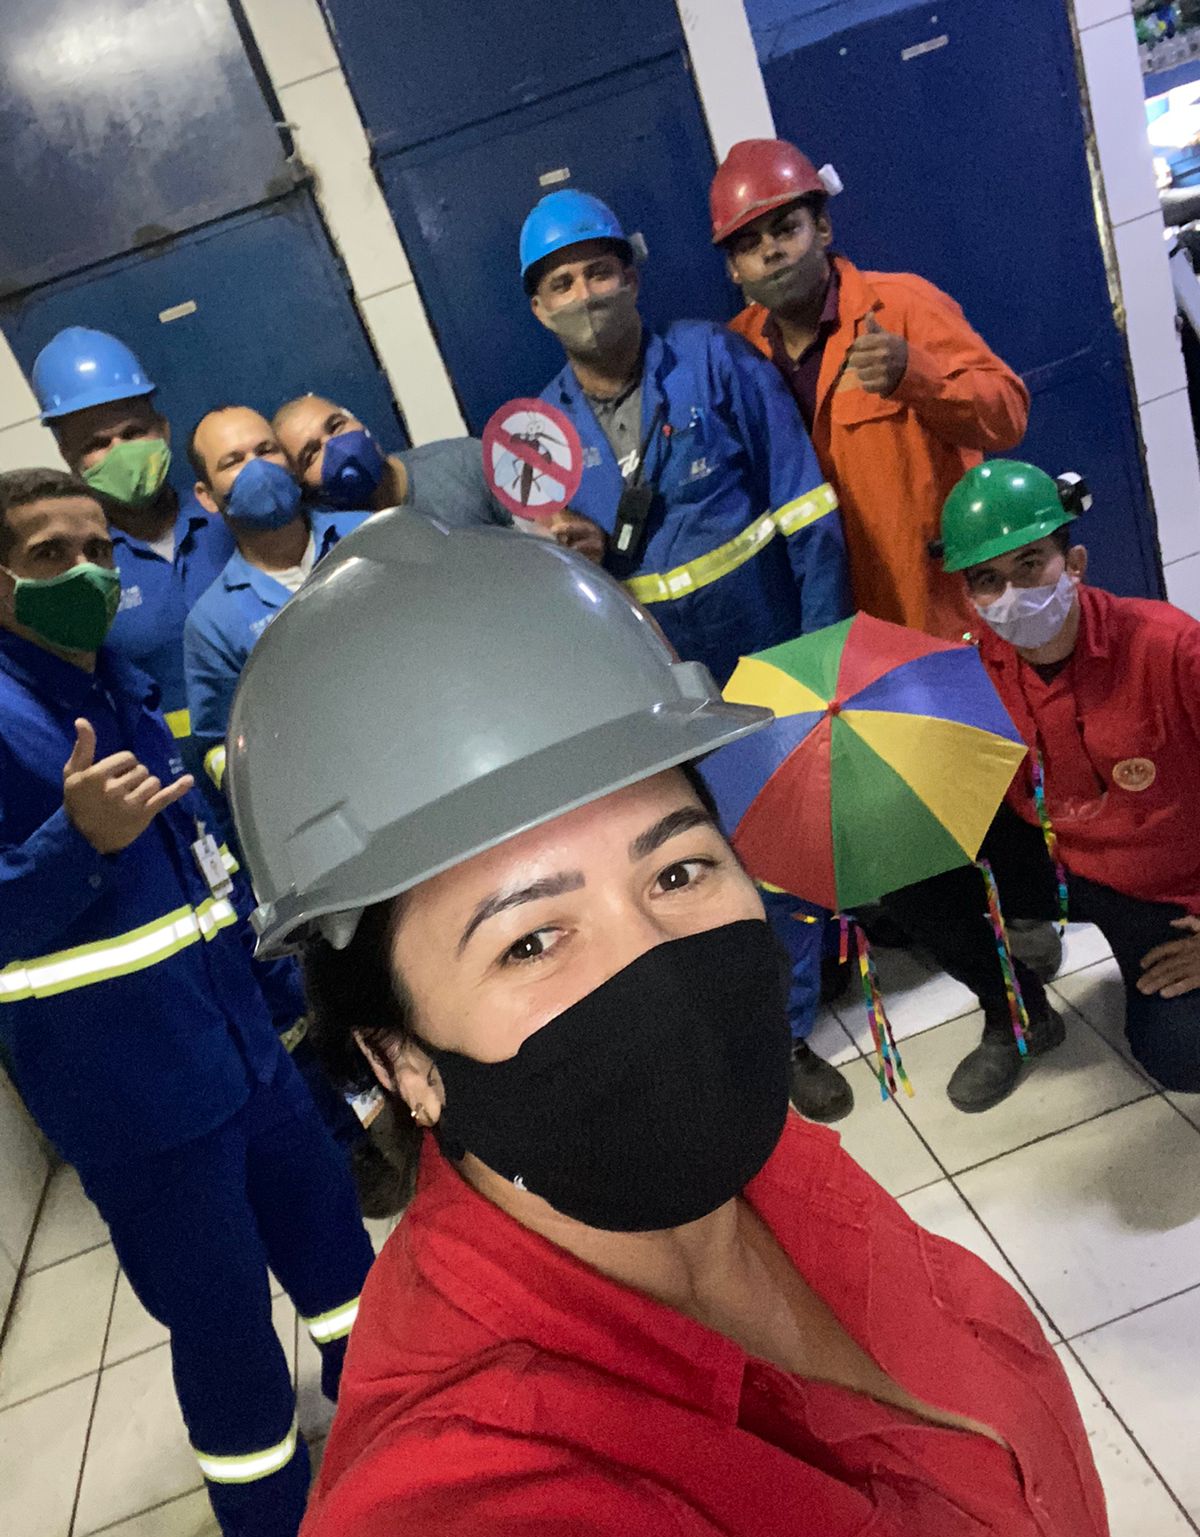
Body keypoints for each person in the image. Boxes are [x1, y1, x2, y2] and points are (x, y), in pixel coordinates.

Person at [224, 512, 1122, 1537]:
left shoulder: (771, 1166)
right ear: (399, 1058)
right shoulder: (466, 1530)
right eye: (530, 940)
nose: (652, 958)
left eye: (679, 872)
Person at [0, 467, 375, 1537]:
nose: (87, 573)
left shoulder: (118, 686)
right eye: (51, 555)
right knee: (224, 1333)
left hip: (249, 1058)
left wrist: (289, 1016)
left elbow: (206, 878)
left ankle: (396, 1426)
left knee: (342, 1269)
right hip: (138, 1106)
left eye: (98, 550)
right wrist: (75, 845)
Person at [522, 187, 854, 1118]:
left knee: (784, 848)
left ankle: (788, 1031)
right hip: (651, 690)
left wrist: (820, 656)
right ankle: (738, 1023)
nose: (585, 296)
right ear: (539, 309)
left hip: (767, 651)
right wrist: (573, 555)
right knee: (684, 862)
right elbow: (554, 602)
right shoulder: (539, 435)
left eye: (598, 272)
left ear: (632, 276)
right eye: (561, 284)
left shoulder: (715, 359)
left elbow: (807, 512)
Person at [883, 459, 1200, 1109]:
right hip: (1066, 862)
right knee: (906, 862)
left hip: (1172, 886)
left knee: (1179, 1050)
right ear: (969, 597)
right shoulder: (974, 673)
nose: (1011, 594)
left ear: (1074, 563)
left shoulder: (1169, 648)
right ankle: (1017, 1013)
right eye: (987, 579)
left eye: (1029, 565)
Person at [711, 140, 1030, 640]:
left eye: (786, 229)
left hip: (934, 614)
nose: (771, 251)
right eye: (749, 245)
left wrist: (917, 376)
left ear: (822, 228)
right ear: (734, 269)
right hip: (828, 627)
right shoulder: (733, 353)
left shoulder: (903, 306)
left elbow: (1008, 416)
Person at [32, 327, 234, 766]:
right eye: (96, 444)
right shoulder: (79, 571)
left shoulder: (230, 519)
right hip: (170, 783)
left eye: (133, 432)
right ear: (68, 456)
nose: (119, 451)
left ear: (162, 429)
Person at [183, 406, 368, 795]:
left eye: (266, 450)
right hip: (327, 797)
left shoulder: (371, 535)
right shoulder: (213, 622)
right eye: (233, 461)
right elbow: (219, 748)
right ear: (207, 496)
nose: (257, 469)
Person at [271, 390, 605, 561]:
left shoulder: (465, 460)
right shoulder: (333, 544)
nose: (337, 448)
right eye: (312, 453)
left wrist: (572, 538)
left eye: (336, 426)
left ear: (358, 422)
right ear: (305, 487)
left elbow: (556, 529)